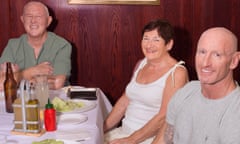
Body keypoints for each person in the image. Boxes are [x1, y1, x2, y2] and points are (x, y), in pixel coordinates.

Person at [104, 19, 189, 144]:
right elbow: (124, 100)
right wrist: (102, 128)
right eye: (146, 38)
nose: (149, 45)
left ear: (169, 44)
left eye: (156, 40)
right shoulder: (141, 64)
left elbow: (164, 117)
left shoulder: (177, 73)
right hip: (124, 133)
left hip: (150, 139)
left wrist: (130, 140)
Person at [163, 27, 240, 144]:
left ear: (234, 61)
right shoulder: (186, 92)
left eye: (217, 55)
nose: (205, 63)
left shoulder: (235, 110)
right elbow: (166, 139)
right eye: (202, 52)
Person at [0, 1, 71, 90]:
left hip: (51, 102)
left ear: (48, 21)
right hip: (20, 102)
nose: (33, 21)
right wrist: (31, 71)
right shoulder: (12, 45)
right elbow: (1, 84)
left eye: (38, 16)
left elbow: (56, 84)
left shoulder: (62, 45)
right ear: (22, 20)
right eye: (29, 16)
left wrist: (16, 77)